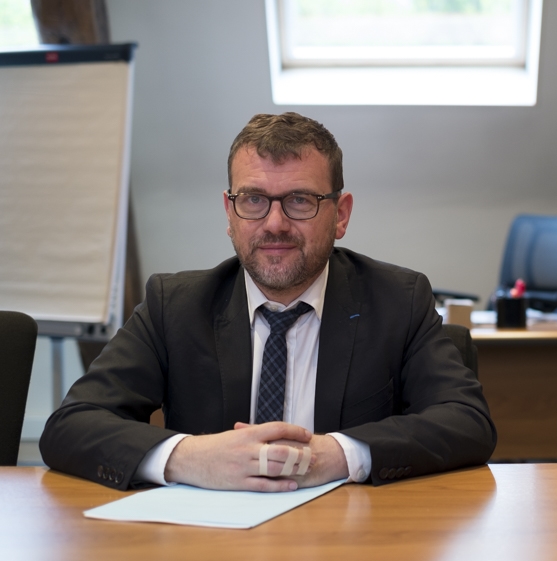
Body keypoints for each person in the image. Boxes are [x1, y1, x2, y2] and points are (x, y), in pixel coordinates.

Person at [40, 112, 496, 491]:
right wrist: (190, 457)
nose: (274, 223)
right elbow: (72, 425)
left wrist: (337, 454)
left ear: (341, 215)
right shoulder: (174, 306)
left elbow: (466, 421)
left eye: (300, 200)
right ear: (229, 213)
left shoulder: (398, 300)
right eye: (254, 199)